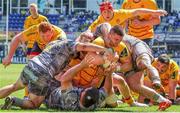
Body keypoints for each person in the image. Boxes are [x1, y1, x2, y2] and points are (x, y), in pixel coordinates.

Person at [0, 38, 114, 109]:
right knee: (34, 104)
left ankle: (13, 98)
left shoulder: (52, 45)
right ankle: (15, 100)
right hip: (43, 73)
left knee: (14, 86)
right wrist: (105, 50)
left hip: (32, 65)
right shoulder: (68, 44)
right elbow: (83, 46)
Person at [89, 23, 172, 111]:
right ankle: (163, 100)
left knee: (143, 63)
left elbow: (127, 64)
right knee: (132, 85)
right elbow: (91, 58)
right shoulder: (100, 41)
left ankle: (156, 80)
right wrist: (110, 64)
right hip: (125, 56)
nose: (117, 42)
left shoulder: (118, 43)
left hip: (136, 45)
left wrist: (115, 67)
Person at [46, 52, 115, 110]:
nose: (84, 89)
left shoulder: (71, 100)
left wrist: (81, 65)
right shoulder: (95, 101)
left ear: (82, 95)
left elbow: (64, 80)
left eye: (84, 90)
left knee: (58, 75)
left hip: (53, 95)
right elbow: (107, 89)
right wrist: (110, 74)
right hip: (69, 91)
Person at [2, 22, 66, 67]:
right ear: (38, 33)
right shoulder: (34, 30)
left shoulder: (60, 36)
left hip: (54, 49)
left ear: (52, 31)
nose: (46, 38)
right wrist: (9, 57)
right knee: (31, 66)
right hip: (39, 45)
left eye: (48, 35)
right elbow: (17, 38)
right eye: (43, 36)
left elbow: (63, 53)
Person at [88, 1, 167, 33]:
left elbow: (137, 11)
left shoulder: (121, 13)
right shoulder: (99, 20)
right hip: (110, 41)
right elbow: (88, 31)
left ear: (113, 10)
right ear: (101, 13)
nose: (107, 14)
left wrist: (155, 12)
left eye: (109, 11)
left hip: (123, 38)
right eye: (104, 12)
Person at [23, 3, 49, 98]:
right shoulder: (27, 20)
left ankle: (41, 94)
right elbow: (24, 33)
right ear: (29, 10)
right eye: (31, 9)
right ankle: (27, 95)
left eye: (34, 9)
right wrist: (24, 45)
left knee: (41, 70)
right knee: (29, 70)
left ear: (37, 9)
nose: (32, 11)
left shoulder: (43, 19)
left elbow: (49, 30)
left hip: (40, 46)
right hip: (30, 47)